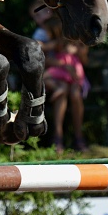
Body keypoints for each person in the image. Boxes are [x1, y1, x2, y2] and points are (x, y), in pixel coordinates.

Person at [42, 17, 89, 153]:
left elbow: (84, 61)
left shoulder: (76, 42)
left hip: (75, 79)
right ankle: (59, 138)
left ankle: (77, 137)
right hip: (61, 78)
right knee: (62, 91)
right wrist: (64, 65)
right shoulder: (57, 43)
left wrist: (79, 50)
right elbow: (46, 59)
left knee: (74, 93)